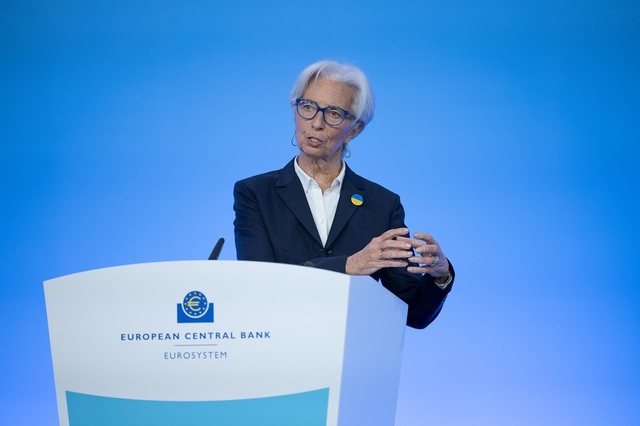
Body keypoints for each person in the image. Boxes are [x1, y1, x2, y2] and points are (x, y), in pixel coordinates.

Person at [233, 60, 454, 329]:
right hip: (280, 344)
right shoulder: (255, 194)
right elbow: (259, 284)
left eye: (334, 113)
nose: (316, 123)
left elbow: (411, 314)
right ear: (295, 111)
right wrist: (348, 265)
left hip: (354, 349)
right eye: (308, 107)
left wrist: (440, 275)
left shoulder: (383, 205)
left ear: (355, 129)